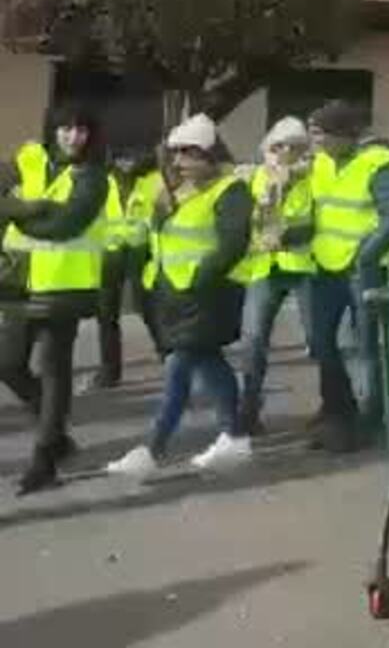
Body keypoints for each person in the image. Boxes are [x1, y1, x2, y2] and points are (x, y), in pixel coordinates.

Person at [105, 116, 256, 479]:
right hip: (174, 293)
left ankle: (154, 448)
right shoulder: (177, 191)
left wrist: (198, 280)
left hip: (209, 293)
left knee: (179, 364)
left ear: (209, 156)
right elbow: (163, 239)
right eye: (175, 156)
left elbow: (232, 243)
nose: (179, 163)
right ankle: (233, 436)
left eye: (188, 156)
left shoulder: (230, 190)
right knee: (208, 362)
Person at [0, 104, 121, 494]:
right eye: (67, 128)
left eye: (82, 130)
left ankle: (43, 461)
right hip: (19, 282)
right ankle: (56, 435)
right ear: (54, 129)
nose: (74, 137)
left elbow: (65, 225)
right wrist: (30, 207)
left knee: (54, 370)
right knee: (8, 364)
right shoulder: (29, 158)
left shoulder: (94, 177)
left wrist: (19, 213)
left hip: (66, 287)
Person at [306, 101, 389, 452]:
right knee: (320, 341)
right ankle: (338, 409)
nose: (316, 142)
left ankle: (370, 418)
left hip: (363, 268)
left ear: (347, 135)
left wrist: (365, 256)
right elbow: (316, 208)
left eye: (323, 135)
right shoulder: (319, 162)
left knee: (365, 347)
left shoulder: (379, 164)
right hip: (323, 264)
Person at [238, 117, 316, 436]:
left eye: (293, 146)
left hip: (303, 267)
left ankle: (335, 407)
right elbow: (242, 220)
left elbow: (318, 222)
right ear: (266, 148)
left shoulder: (313, 179)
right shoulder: (255, 178)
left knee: (320, 341)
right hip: (264, 268)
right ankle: (248, 410)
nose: (284, 152)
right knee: (253, 340)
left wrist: (286, 236)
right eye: (277, 145)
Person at [92, 144, 164, 390]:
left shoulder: (153, 180)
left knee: (148, 308)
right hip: (109, 251)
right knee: (105, 313)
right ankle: (109, 372)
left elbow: (165, 209)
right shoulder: (102, 181)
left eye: (131, 158)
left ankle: (170, 360)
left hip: (139, 250)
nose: (126, 164)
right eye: (122, 158)